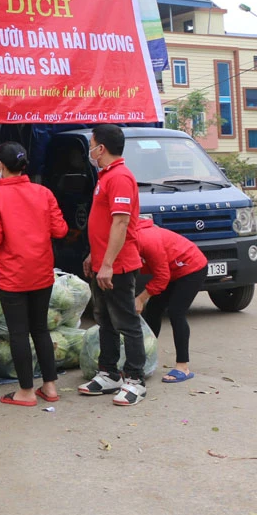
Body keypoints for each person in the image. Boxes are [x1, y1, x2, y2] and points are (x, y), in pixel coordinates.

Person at [0, 143, 68, 406]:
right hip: (41, 273)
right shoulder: (44, 193)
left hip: (12, 277)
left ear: (0, 166)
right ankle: (50, 387)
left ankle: (25, 392)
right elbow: (60, 230)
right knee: (41, 330)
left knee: (18, 333)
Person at [78, 125, 148, 406]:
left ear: (101, 148)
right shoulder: (105, 176)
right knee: (104, 320)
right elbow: (104, 223)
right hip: (102, 263)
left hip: (118, 266)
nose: (90, 150)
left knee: (127, 322)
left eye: (92, 144)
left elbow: (120, 222)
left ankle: (135, 379)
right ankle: (109, 373)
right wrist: (93, 257)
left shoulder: (120, 177)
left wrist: (106, 264)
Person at [134, 219, 208, 383]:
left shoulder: (147, 240)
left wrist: (140, 298)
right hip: (172, 269)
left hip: (192, 267)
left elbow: (162, 277)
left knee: (176, 312)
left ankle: (183, 367)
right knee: (153, 310)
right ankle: (145, 358)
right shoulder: (127, 239)